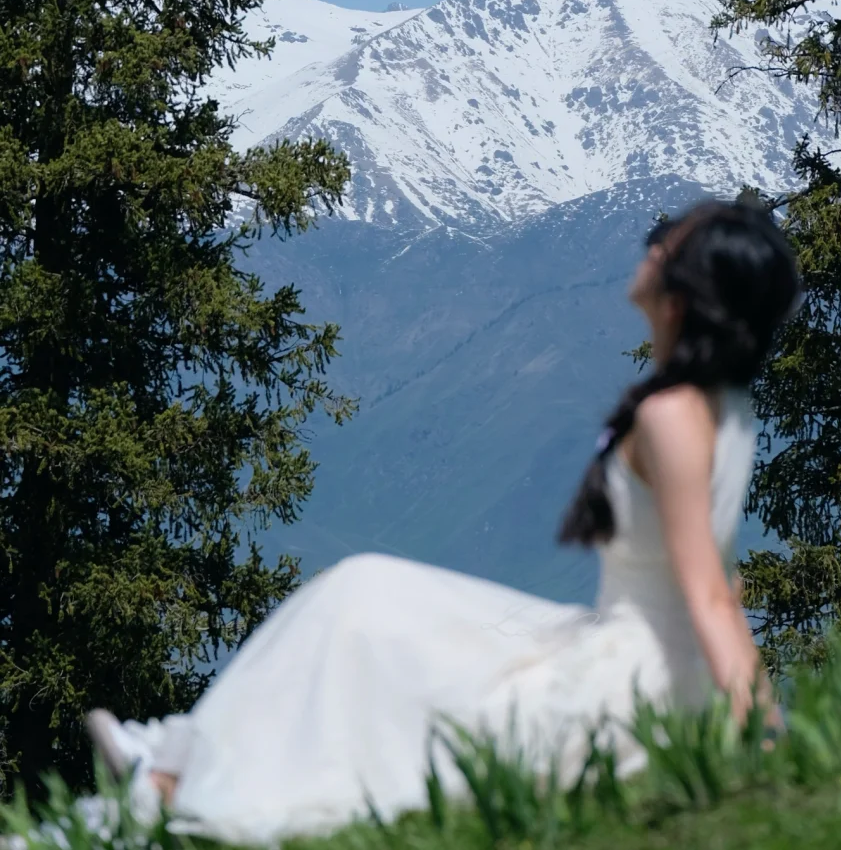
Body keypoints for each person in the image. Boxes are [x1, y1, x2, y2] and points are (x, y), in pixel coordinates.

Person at [86, 197, 802, 844]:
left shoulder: (671, 414)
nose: (651, 246)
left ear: (685, 294)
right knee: (369, 595)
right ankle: (176, 765)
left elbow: (711, 595)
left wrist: (769, 740)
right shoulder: (725, 406)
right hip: (646, 665)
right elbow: (721, 583)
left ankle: (175, 776)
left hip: (624, 689)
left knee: (359, 601)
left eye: (668, 244)